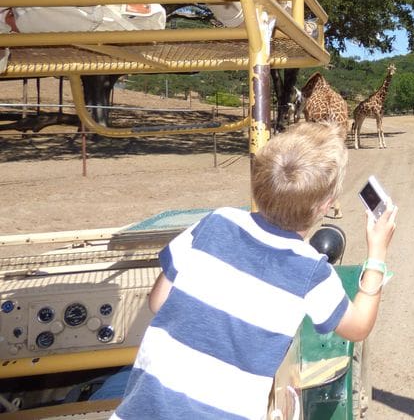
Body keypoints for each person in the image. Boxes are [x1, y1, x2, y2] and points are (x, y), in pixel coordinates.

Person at [108, 121, 398, 419]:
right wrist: (377, 252)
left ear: (258, 185)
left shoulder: (215, 222)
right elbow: (359, 325)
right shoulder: (310, 269)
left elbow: (158, 302)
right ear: (325, 205)